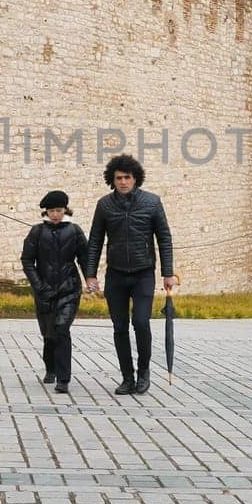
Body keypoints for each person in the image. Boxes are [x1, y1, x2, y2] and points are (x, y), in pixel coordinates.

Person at [84, 154, 175, 396]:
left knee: (141, 322)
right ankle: (127, 377)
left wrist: (168, 273)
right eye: (118, 178)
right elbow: (94, 241)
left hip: (144, 273)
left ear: (136, 179)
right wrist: (90, 274)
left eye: (127, 177)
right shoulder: (104, 205)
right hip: (116, 274)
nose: (123, 182)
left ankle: (144, 372)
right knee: (120, 326)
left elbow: (164, 238)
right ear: (112, 180)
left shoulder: (152, 203)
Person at [21, 190, 88, 394]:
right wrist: (38, 286)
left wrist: (90, 279)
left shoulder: (75, 231)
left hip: (69, 290)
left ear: (65, 210)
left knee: (61, 329)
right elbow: (27, 260)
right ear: (46, 212)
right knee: (49, 335)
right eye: (51, 211)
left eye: (58, 210)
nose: (55, 215)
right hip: (45, 291)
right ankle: (50, 368)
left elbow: (84, 258)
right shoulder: (37, 232)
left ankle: (63, 378)